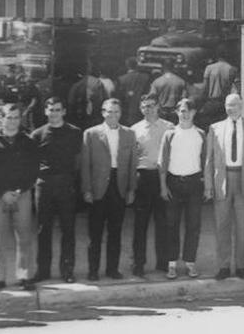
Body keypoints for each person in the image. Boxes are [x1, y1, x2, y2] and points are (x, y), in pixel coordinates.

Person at [0, 104, 40, 292]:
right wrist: (3, 192)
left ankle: (24, 276)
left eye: (15, 117)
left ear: (19, 119)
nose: (12, 120)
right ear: (2, 118)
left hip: (21, 195)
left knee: (24, 236)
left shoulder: (28, 142)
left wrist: (20, 190)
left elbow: (33, 169)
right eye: (9, 117)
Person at [79, 98, 139, 280]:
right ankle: (93, 270)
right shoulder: (91, 134)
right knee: (95, 232)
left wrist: (131, 189)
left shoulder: (129, 134)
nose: (112, 115)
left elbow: (132, 164)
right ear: (102, 112)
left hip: (118, 185)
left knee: (116, 231)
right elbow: (85, 164)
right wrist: (87, 189)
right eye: (109, 112)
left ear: (121, 114)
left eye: (116, 112)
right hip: (98, 186)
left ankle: (112, 269)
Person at [206, 93, 244, 280]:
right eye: (229, 105)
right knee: (222, 225)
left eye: (235, 105)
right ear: (225, 106)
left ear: (242, 105)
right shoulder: (215, 128)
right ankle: (223, 266)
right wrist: (208, 185)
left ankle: (240, 266)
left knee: (242, 225)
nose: (232, 109)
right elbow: (209, 160)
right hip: (222, 179)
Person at [31, 97, 82, 284]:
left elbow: (78, 161)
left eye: (57, 109)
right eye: (51, 110)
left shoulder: (74, 133)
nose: (54, 113)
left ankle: (67, 270)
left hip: (66, 184)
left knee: (68, 229)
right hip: (44, 185)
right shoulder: (37, 134)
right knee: (43, 229)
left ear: (64, 111)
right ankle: (43, 270)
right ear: (46, 112)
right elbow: (31, 162)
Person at [158, 98, 208, 279]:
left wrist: (206, 185)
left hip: (194, 183)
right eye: (181, 110)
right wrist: (163, 186)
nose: (185, 114)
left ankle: (190, 263)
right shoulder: (169, 134)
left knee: (193, 225)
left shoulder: (201, 134)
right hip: (173, 183)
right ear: (176, 113)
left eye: (188, 110)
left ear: (194, 113)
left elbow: (205, 161)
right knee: (171, 225)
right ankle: (171, 264)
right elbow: (162, 163)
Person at [129, 93, 173, 277]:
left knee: (163, 222)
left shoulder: (169, 127)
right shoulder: (134, 129)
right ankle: (138, 263)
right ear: (141, 108)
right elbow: (132, 158)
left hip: (162, 177)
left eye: (152, 105)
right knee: (140, 223)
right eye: (145, 106)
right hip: (143, 177)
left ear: (158, 107)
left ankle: (163, 262)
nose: (149, 109)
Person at [116, 57, 151, 126]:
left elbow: (119, 97)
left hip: (126, 112)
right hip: (141, 112)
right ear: (137, 65)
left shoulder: (121, 79)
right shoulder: (145, 77)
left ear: (127, 66)